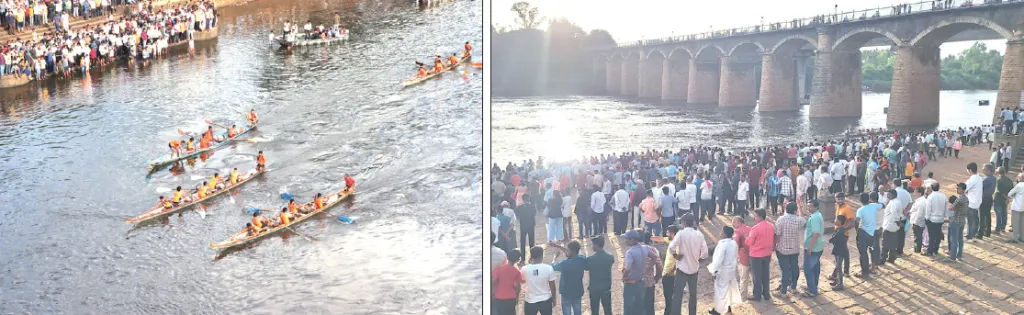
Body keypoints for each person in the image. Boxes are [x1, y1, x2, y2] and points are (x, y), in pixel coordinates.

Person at [668, 213, 707, 315]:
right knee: (693, 295)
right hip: (694, 269)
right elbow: (705, 253)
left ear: (684, 222)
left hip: (682, 269)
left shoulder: (681, 233)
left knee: (677, 295)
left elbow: (671, 247)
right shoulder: (699, 234)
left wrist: (676, 256)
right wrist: (698, 259)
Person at [775, 202, 806, 296]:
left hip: (783, 249)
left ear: (785, 209)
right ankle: (793, 287)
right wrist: (800, 208)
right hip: (795, 248)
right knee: (794, 268)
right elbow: (804, 220)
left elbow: (777, 234)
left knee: (785, 271)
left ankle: (783, 291)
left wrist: (776, 244)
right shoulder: (798, 219)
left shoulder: (781, 219)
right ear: (795, 210)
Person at [708, 226, 741, 315]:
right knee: (729, 289)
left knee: (721, 291)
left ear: (725, 234)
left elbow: (718, 260)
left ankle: (718, 310)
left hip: (722, 271)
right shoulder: (733, 243)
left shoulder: (722, 245)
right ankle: (728, 307)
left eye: (721, 232)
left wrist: (713, 270)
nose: (720, 233)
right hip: (731, 271)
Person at [549, 240, 586, 315]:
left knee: (566, 312)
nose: (566, 251)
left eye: (568, 249)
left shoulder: (564, 264)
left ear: (571, 251)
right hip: (577, 291)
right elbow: (570, 252)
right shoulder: (582, 259)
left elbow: (553, 266)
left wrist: (554, 258)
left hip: (566, 292)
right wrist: (558, 246)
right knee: (577, 311)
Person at [745, 209, 774, 302]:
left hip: (756, 255)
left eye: (755, 216)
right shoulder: (771, 226)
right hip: (767, 253)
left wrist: (746, 238)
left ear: (760, 217)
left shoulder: (755, 228)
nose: (754, 218)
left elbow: (750, 242)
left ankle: (757, 295)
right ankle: (766, 294)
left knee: (757, 276)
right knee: (765, 274)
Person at [521, 246, 557, 315]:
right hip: (545, 299)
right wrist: (554, 298)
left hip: (530, 300)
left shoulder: (524, 269)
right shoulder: (548, 268)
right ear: (542, 255)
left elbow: (522, 281)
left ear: (531, 255)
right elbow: (552, 286)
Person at [854, 192, 881, 278]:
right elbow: (883, 205)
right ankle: (872, 267)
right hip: (871, 233)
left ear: (860, 200)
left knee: (863, 253)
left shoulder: (860, 210)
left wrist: (856, 230)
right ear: (869, 199)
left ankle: (864, 271)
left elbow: (857, 221)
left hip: (862, 232)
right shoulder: (874, 206)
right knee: (871, 250)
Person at [585, 236, 614, 315]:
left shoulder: (590, 259)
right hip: (606, 288)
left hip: (594, 288)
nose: (592, 247)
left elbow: (586, 268)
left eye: (593, 245)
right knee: (608, 310)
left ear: (597, 245)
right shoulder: (610, 257)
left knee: (594, 311)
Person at [622, 230, 648, 315]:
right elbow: (654, 257)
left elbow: (628, 267)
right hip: (641, 281)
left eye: (627, 239)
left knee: (628, 308)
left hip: (631, 283)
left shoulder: (630, 252)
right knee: (639, 307)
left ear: (632, 239)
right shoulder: (645, 248)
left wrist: (624, 277)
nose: (625, 241)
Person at [803, 200, 825, 297]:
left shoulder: (815, 217)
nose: (809, 208)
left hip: (813, 247)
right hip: (818, 246)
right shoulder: (817, 215)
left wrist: (810, 247)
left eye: (811, 207)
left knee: (808, 269)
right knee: (815, 267)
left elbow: (816, 233)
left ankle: (812, 290)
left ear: (816, 207)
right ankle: (813, 286)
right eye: (808, 206)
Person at [492, 249, 522, 315]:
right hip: (511, 297)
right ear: (518, 260)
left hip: (499, 297)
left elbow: (493, 281)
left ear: (507, 257)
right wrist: (517, 297)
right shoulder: (517, 272)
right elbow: (518, 287)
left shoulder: (499, 268)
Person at [881, 190, 904, 263]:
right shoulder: (896, 201)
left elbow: (894, 214)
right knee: (892, 243)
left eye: (889, 194)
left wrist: (898, 222)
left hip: (889, 226)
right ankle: (891, 258)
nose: (887, 196)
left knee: (885, 244)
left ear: (893, 195)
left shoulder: (894, 203)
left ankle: (882, 259)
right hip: (893, 226)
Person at [925, 183, 948, 256]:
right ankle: (936, 249)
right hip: (940, 219)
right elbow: (945, 207)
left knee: (931, 235)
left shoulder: (930, 197)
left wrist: (927, 217)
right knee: (938, 235)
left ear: (932, 188)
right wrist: (944, 216)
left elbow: (928, 209)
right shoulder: (943, 196)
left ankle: (930, 250)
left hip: (932, 218)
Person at [947, 184, 969, 262]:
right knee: (960, 238)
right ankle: (959, 255)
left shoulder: (959, 199)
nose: (957, 190)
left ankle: (953, 256)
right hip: (962, 220)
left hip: (955, 220)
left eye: (959, 188)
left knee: (954, 239)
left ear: (963, 190)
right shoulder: (966, 198)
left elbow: (950, 208)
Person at [732, 216, 752, 298]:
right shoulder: (751, 229)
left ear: (739, 222)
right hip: (753, 255)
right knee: (754, 277)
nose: (732, 224)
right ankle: (756, 293)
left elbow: (735, 243)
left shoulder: (737, 231)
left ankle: (743, 296)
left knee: (743, 278)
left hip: (743, 256)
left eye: (734, 222)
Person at [829, 215, 850, 290]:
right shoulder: (840, 229)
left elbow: (834, 239)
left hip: (839, 251)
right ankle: (837, 281)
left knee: (839, 268)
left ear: (840, 222)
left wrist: (831, 240)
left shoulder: (840, 231)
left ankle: (840, 284)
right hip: (839, 250)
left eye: (836, 219)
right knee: (837, 266)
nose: (835, 220)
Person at [964, 162, 982, 240]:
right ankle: (974, 233)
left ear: (970, 170)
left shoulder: (972, 179)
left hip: (971, 202)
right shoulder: (979, 178)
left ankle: (970, 234)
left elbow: (963, 189)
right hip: (977, 201)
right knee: (975, 218)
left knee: (970, 220)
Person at [909, 187, 929, 253]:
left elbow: (920, 214)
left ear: (920, 193)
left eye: (915, 192)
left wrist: (915, 223)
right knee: (917, 237)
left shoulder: (921, 202)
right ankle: (917, 249)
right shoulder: (920, 200)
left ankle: (917, 250)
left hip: (918, 223)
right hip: (918, 222)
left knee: (917, 237)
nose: (914, 194)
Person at [979, 164, 996, 239]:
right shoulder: (993, 178)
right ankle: (987, 231)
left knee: (982, 216)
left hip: (984, 199)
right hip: (989, 198)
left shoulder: (987, 179)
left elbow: (980, 186)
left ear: (989, 170)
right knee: (987, 215)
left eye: (984, 169)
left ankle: (981, 232)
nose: (983, 170)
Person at [995, 167, 1013, 234]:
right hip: (1005, 199)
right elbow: (1011, 190)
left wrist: (1005, 197)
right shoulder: (1009, 180)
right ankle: (1003, 228)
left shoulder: (998, 180)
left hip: (998, 198)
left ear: (998, 172)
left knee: (998, 214)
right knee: (1004, 213)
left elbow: (999, 190)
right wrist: (1008, 197)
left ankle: (998, 228)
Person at [1007, 173, 1024, 243]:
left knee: (1015, 223)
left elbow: (1010, 193)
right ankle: (1022, 237)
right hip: (1023, 207)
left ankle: (1015, 238)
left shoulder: (1019, 185)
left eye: (1019, 176)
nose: (1017, 177)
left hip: (1017, 206)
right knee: (1022, 223)